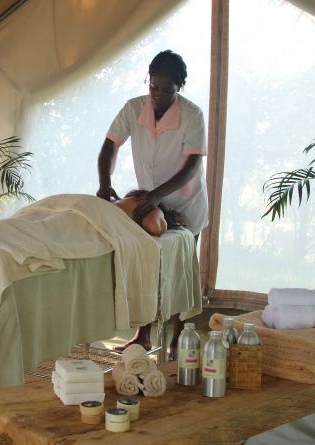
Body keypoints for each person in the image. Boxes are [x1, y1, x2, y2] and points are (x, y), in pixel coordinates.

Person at [96, 49, 209, 358]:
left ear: (179, 87)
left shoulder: (192, 115)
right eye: (153, 87)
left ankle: (175, 341)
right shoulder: (134, 109)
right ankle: (143, 336)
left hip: (184, 201)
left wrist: (158, 195)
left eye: (166, 90)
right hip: (149, 201)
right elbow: (109, 146)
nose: (158, 95)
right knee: (148, 266)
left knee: (178, 271)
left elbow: (192, 167)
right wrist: (105, 184)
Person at [0, 191, 178, 272]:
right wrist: (160, 210)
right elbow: (155, 227)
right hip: (83, 219)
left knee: (19, 228)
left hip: (60, 206)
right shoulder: (146, 204)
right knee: (35, 237)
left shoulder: (117, 200)